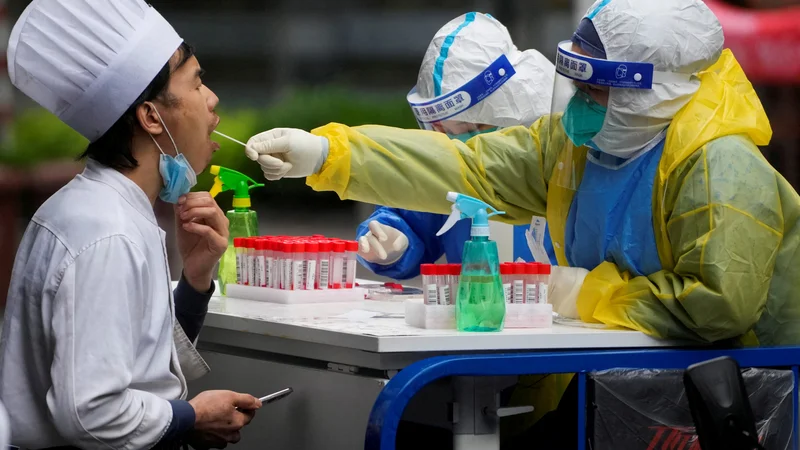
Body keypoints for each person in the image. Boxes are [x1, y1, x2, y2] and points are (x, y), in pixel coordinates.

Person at [246, 0, 800, 347]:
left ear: (653, 89)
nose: (578, 103)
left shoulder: (722, 169)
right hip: (627, 383)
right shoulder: (575, 145)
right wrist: (329, 155)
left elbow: (722, 304)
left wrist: (594, 295)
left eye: (594, 88)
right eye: (577, 85)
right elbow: (471, 167)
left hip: (740, 398)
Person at [0, 1, 261, 448]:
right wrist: (191, 416)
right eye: (196, 81)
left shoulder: (104, 209)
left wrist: (195, 281)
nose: (212, 98)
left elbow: (135, 362)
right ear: (152, 117)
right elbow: (91, 412)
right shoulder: (106, 233)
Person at [356, 12, 561, 279]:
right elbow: (413, 212)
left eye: (473, 126)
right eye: (445, 129)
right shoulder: (450, 164)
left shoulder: (561, 157)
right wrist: (392, 239)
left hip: (560, 314)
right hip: (473, 311)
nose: (461, 140)